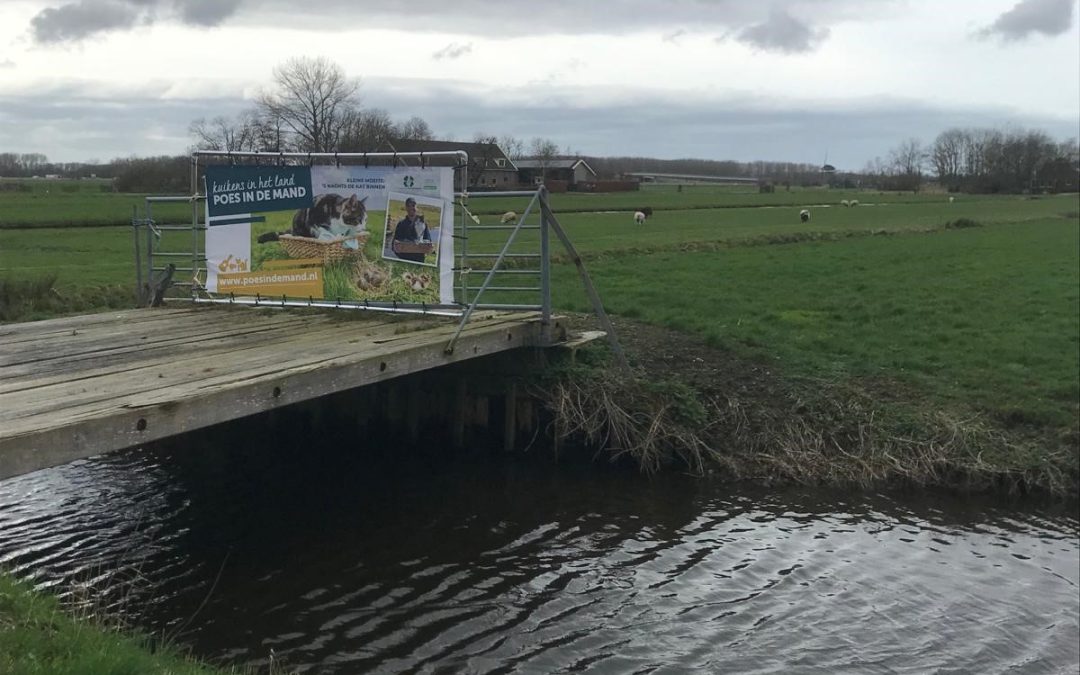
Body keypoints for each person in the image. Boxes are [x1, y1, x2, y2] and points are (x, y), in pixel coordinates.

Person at [392, 197, 431, 263]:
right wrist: (396, 249)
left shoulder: (423, 223)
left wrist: (428, 248)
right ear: (406, 208)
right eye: (408, 206)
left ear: (416, 207)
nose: (411, 208)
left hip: (419, 261)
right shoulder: (401, 224)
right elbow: (393, 245)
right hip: (404, 261)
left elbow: (428, 241)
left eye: (413, 205)